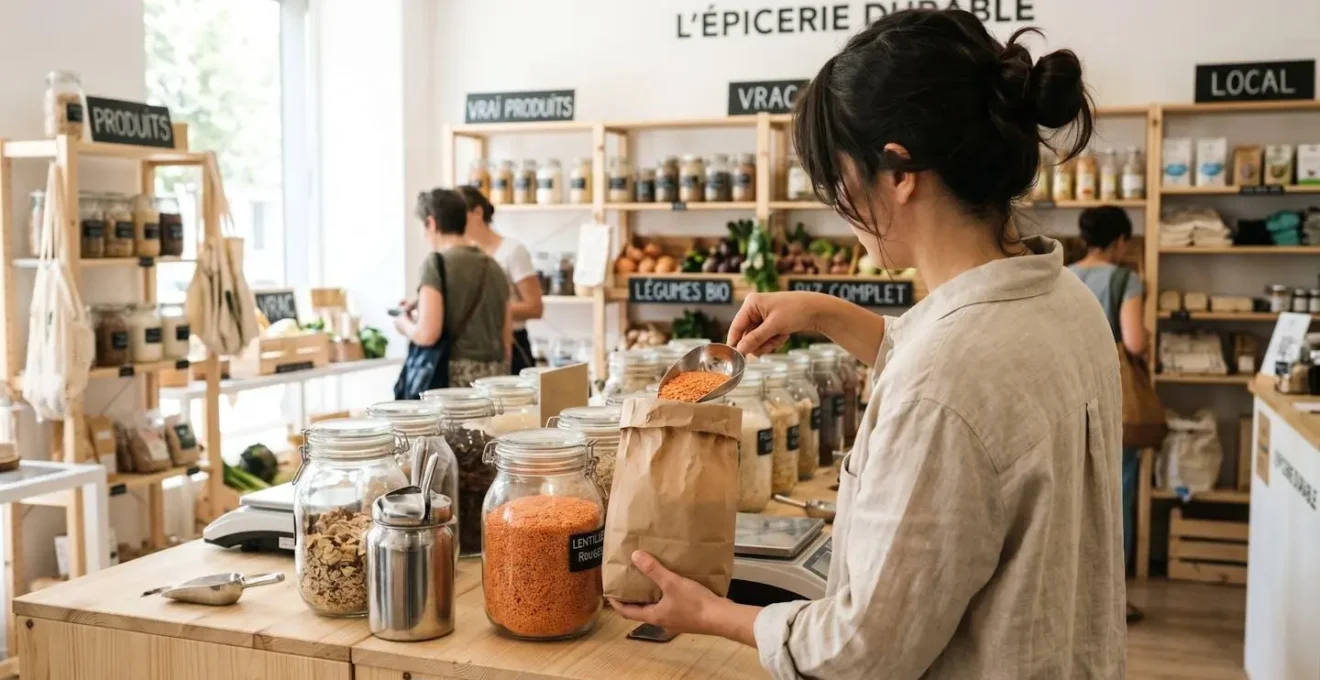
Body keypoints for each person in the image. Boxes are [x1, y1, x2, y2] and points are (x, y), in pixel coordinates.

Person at [611, 9, 1126, 679]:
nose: (837, 205)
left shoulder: (944, 383)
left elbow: (864, 650)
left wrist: (711, 613)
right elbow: (965, 372)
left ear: (898, 171)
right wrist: (825, 313)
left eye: (838, 179)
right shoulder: (1065, 300)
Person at [1070, 205, 1147, 624]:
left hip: (1062, 395)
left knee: (1070, 497)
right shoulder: (1124, 279)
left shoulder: (1061, 275)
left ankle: (1074, 596)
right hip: (1109, 399)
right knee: (1115, 495)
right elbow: (1133, 342)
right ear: (1119, 241)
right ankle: (1112, 599)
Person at [395, 188, 511, 388]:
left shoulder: (436, 264)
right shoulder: (494, 266)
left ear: (432, 223)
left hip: (453, 383)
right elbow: (506, 340)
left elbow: (427, 334)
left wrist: (403, 324)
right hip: (494, 380)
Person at [456, 186, 544, 374]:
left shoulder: (512, 250)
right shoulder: (464, 255)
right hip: (476, 347)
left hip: (513, 343)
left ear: (478, 212)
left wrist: (487, 310)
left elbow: (535, 307)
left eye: (458, 213)